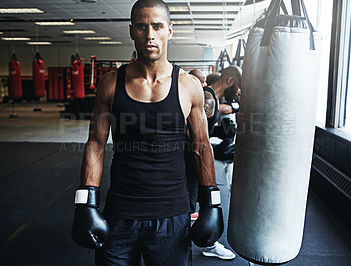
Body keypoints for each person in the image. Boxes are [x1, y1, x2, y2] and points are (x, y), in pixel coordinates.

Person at [71, 1, 224, 265]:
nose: (150, 34)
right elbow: (96, 144)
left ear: (169, 31)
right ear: (132, 31)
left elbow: (201, 146)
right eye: (142, 26)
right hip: (120, 212)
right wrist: (86, 201)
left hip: (172, 215)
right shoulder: (111, 83)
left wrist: (211, 201)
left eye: (157, 26)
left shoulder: (188, 86)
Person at [187, 67, 241, 260]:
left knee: (198, 201)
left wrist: (217, 136)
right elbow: (193, 133)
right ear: (229, 82)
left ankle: (206, 243)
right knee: (190, 202)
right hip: (191, 157)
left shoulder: (212, 98)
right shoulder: (208, 97)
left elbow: (202, 128)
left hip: (194, 155)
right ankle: (187, 246)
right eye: (237, 89)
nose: (236, 95)